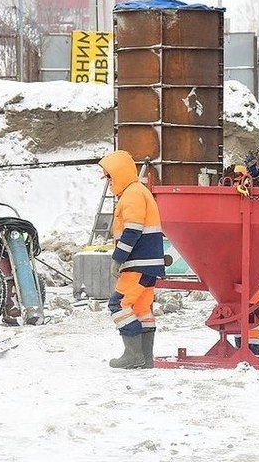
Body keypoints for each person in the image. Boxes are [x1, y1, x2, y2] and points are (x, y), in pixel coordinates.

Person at [99, 150, 165, 369]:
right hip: (148, 265)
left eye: (109, 177)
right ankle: (146, 359)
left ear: (118, 174)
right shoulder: (139, 191)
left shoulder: (132, 194)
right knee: (141, 309)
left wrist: (118, 258)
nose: (108, 183)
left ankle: (133, 356)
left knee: (118, 304)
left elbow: (132, 230)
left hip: (138, 264)